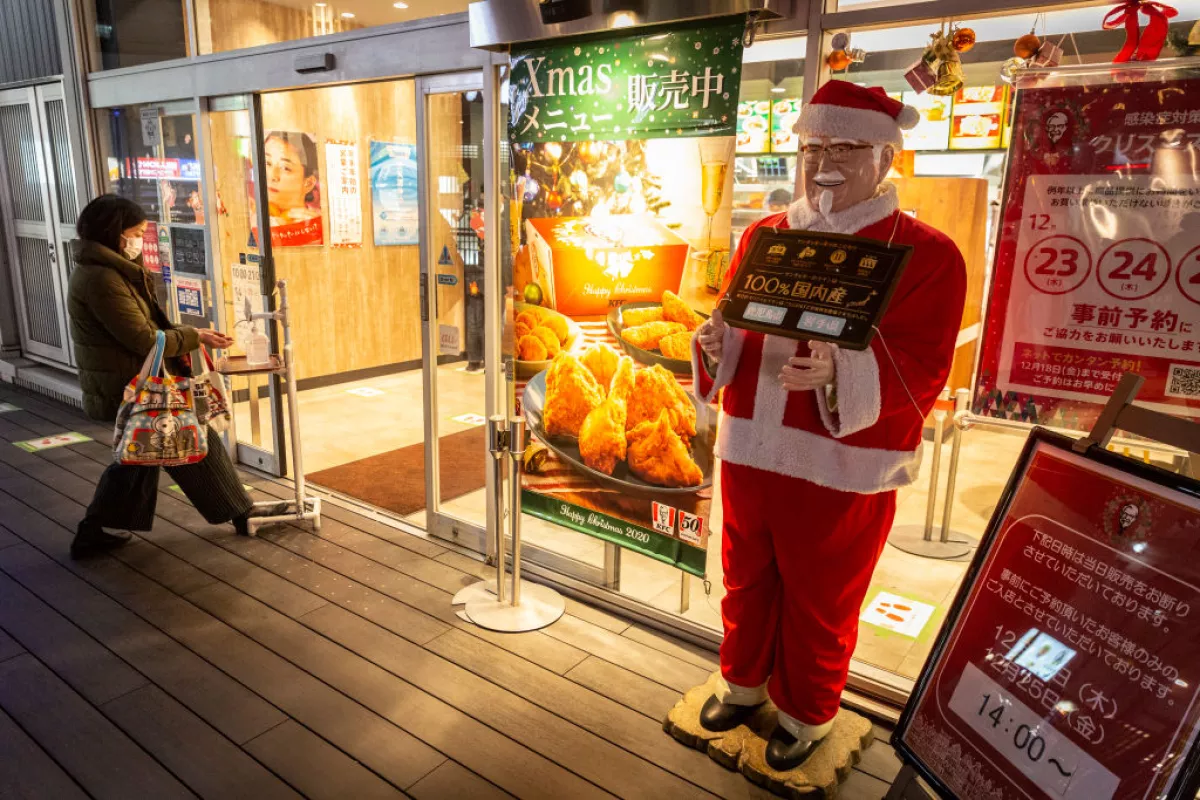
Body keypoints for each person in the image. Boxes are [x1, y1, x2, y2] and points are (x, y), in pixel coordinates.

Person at [691, 82, 966, 771]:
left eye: (844, 147)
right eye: (813, 147)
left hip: (841, 462)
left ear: (885, 156)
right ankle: (743, 683)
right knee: (744, 573)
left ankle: (807, 712)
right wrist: (714, 348)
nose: (825, 163)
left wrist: (846, 373)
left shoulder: (927, 254)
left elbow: (925, 365)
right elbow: (734, 323)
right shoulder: (764, 236)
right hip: (752, 441)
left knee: (822, 594)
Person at [67, 195, 285, 559]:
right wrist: (195, 336)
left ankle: (93, 531)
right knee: (188, 441)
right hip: (133, 385)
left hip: (133, 382)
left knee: (140, 455)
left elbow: (147, 328)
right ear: (116, 234)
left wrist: (196, 334)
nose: (140, 239)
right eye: (136, 232)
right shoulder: (102, 278)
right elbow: (142, 337)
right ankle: (241, 513)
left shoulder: (112, 271)